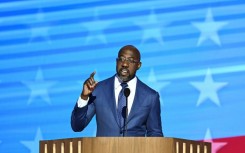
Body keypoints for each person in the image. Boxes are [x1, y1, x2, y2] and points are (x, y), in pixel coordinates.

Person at [71, 45, 163, 137]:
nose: (125, 64)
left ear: (138, 65)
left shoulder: (150, 96)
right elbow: (77, 126)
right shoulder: (98, 90)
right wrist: (84, 97)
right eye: (121, 59)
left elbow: (155, 134)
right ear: (116, 61)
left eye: (130, 60)